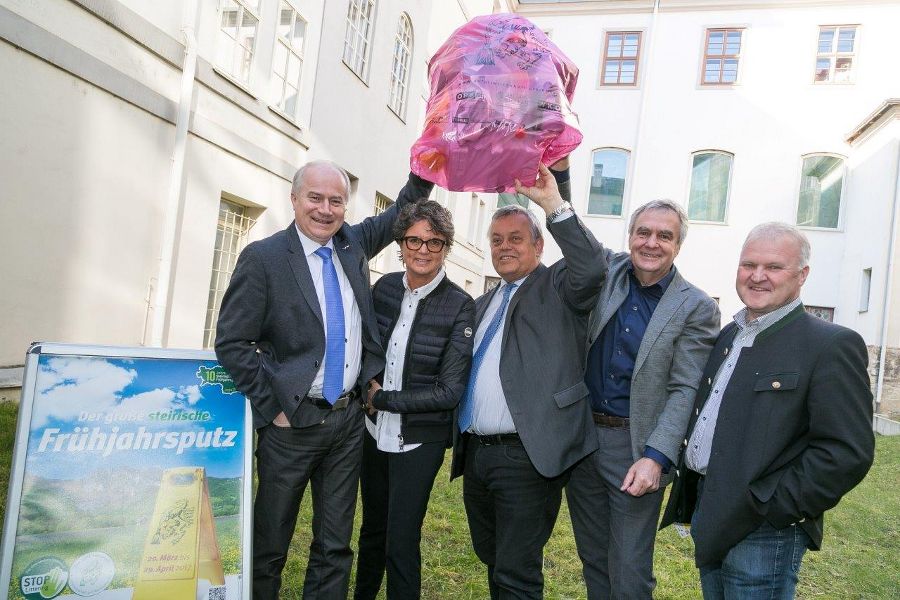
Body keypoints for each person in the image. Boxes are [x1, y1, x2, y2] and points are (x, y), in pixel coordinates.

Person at [214, 160, 433, 599]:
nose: (325, 209)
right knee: (270, 546)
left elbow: (403, 209)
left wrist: (428, 161)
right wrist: (272, 408)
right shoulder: (264, 258)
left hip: (347, 423)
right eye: (315, 197)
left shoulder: (352, 244)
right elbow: (232, 342)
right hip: (289, 425)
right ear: (294, 200)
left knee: (334, 546)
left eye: (336, 200)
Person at [661, 222, 875, 599]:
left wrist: (774, 507)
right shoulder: (729, 335)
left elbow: (846, 452)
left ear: (802, 274)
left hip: (764, 529)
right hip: (711, 512)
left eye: (774, 267)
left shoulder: (830, 344)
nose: (757, 276)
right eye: (748, 265)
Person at [451, 161, 607, 599]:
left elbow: (592, 268)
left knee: (516, 571)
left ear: (538, 246)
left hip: (527, 455)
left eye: (515, 239)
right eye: (497, 240)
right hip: (478, 456)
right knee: (493, 557)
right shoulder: (484, 304)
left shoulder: (558, 287)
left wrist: (555, 205)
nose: (504, 248)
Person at [565, 200, 720, 599]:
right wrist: (554, 192)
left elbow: (686, 388)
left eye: (664, 236)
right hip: (582, 441)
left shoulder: (696, 307)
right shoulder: (609, 273)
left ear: (678, 245)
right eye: (643, 233)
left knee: (630, 570)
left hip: (634, 449)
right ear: (630, 236)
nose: (652, 243)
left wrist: (656, 456)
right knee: (594, 560)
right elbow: (577, 241)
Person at [353, 201, 475, 600]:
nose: (423, 250)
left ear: (446, 247)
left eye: (434, 242)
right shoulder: (384, 287)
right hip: (373, 434)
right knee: (371, 531)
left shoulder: (460, 305)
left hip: (418, 441)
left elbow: (449, 391)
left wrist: (383, 398)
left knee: (401, 541)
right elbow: (366, 347)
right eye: (414, 241)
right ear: (400, 245)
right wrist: (367, 388)